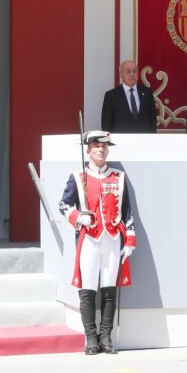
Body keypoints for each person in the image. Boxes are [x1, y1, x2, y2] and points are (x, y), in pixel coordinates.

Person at [58, 131, 135, 355]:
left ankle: (106, 337)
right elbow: (64, 205)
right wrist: (77, 217)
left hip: (112, 239)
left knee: (110, 290)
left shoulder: (118, 177)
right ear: (88, 150)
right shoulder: (77, 176)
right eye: (96, 146)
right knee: (88, 289)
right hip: (89, 239)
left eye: (104, 146)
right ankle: (90, 338)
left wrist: (129, 239)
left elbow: (127, 211)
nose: (101, 149)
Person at [101, 60, 157, 133]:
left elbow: (153, 120)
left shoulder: (147, 93)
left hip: (144, 140)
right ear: (120, 74)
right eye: (128, 71)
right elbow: (106, 124)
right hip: (121, 141)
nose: (132, 74)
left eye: (134, 71)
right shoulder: (111, 96)